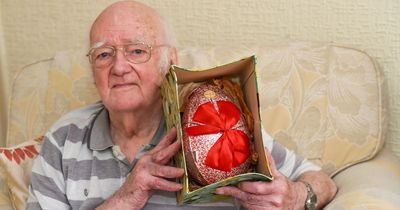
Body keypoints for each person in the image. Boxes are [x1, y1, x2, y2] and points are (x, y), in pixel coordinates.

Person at [26, 1, 337, 209]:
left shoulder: (213, 120)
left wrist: (297, 197)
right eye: (103, 54)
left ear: (169, 62)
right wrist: (125, 197)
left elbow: (320, 181)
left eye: (137, 51)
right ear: (93, 69)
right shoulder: (63, 139)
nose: (119, 67)